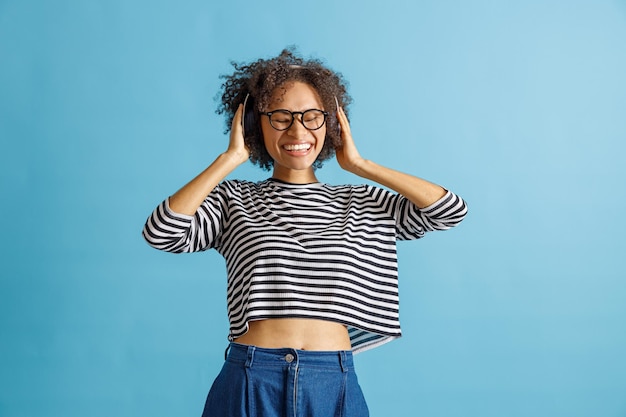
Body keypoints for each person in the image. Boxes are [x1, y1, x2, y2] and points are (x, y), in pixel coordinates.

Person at [142, 48, 467, 417]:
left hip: (333, 381)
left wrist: (361, 165)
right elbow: (161, 231)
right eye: (280, 117)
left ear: (331, 123)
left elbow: (448, 209)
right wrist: (230, 158)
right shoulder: (234, 199)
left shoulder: (363, 202)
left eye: (312, 117)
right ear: (255, 123)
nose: (298, 130)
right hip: (251, 377)